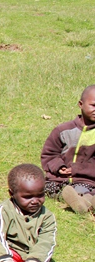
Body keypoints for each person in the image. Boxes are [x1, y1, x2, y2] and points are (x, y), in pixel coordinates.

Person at [41, 85, 95, 214]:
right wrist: (59, 167)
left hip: (87, 181)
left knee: (84, 189)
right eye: (93, 105)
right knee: (45, 187)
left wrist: (77, 169)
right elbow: (49, 155)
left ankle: (85, 202)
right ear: (80, 104)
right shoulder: (63, 130)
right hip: (59, 179)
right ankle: (77, 200)